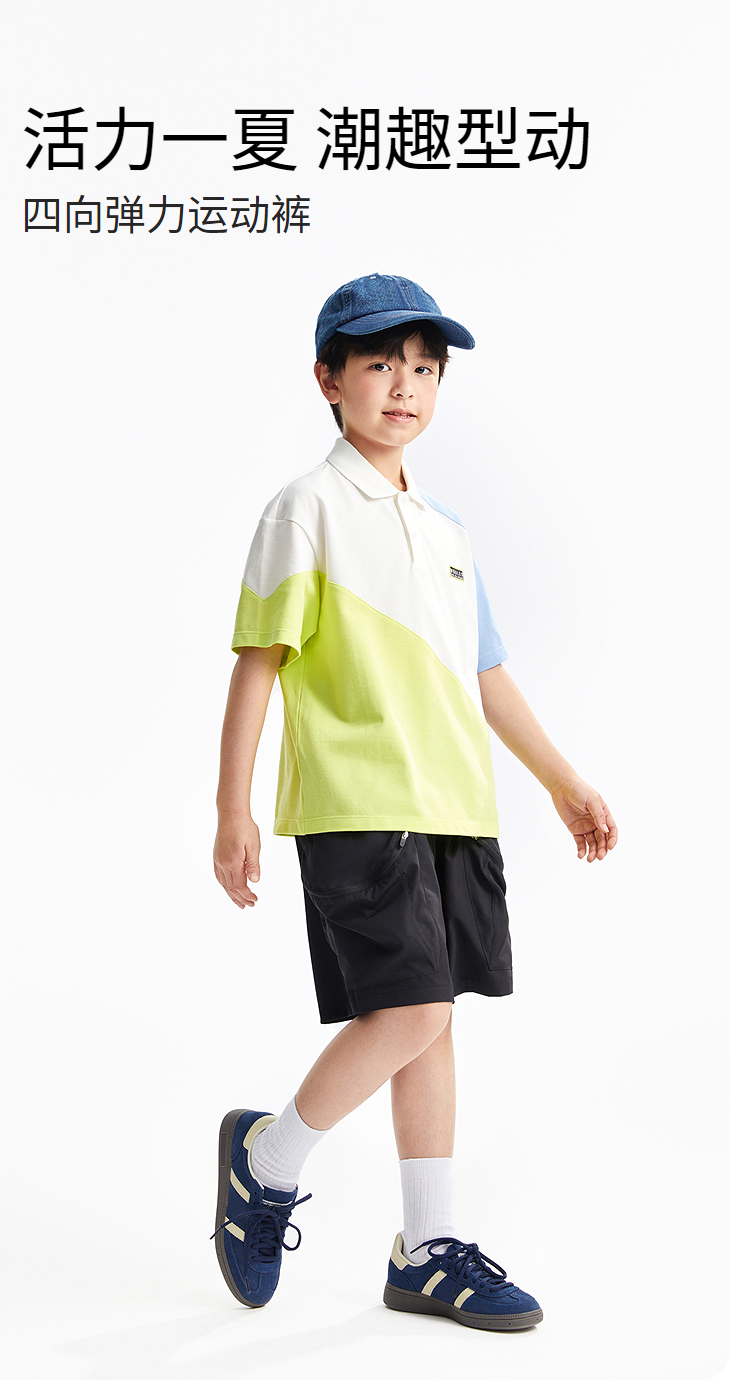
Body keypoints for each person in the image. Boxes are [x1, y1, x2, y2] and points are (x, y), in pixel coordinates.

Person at [211, 273, 617, 1331]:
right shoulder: (303, 510)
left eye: (427, 368)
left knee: (433, 1021)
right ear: (329, 379)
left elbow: (487, 677)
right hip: (357, 804)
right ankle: (269, 1160)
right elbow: (259, 662)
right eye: (382, 363)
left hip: (455, 809)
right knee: (412, 1009)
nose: (407, 385)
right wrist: (232, 809)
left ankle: (426, 1249)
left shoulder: (447, 532)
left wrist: (563, 780)